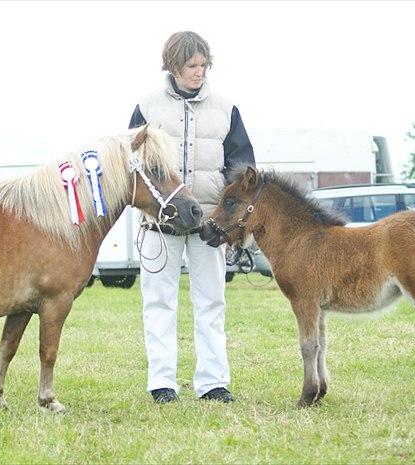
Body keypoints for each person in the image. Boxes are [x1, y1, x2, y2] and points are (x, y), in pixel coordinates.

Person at [129, 31, 255, 403]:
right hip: (160, 223)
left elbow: (242, 170)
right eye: (191, 66)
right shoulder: (147, 107)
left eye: (203, 65)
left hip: (208, 227)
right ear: (173, 66)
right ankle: (162, 383)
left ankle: (214, 383)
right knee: (159, 303)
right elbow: (132, 164)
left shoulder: (227, 109)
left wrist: (229, 224)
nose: (199, 72)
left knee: (211, 303)